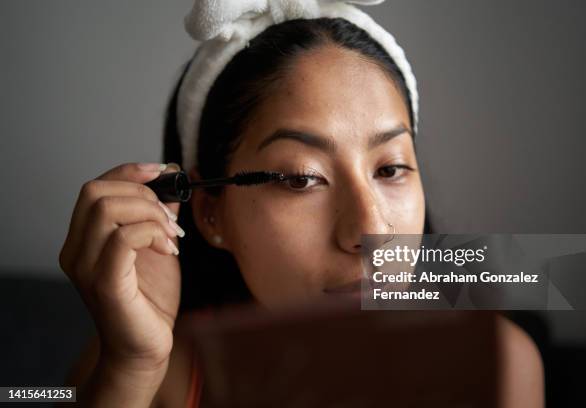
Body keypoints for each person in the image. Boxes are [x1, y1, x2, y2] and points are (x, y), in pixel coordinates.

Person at [58, 1, 544, 406]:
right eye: (301, 179)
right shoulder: (147, 372)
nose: (370, 231)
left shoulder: (501, 364)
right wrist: (132, 369)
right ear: (210, 213)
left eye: (390, 169)